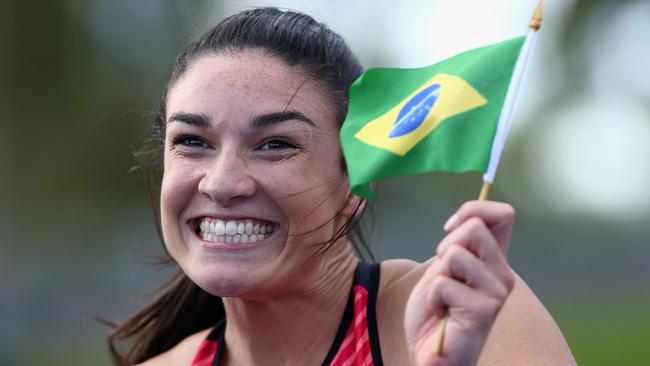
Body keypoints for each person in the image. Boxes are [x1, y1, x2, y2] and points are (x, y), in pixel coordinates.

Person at [108, 7, 576, 366]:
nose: (223, 183)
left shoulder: (462, 316)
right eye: (192, 141)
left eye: (274, 144)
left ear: (353, 182)